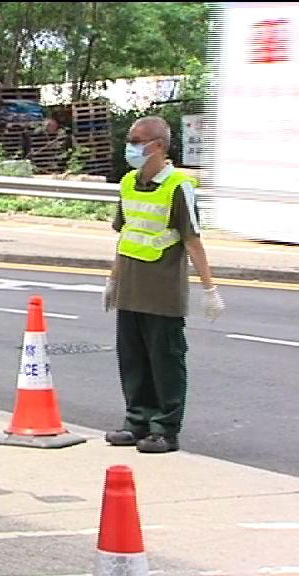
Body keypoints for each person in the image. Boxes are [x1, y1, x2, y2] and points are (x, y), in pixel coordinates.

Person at [102, 116, 225, 454]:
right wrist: (112, 281)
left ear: (158, 145)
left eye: (137, 139)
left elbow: (192, 241)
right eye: (130, 138)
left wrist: (209, 289)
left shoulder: (177, 186)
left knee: (165, 361)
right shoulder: (128, 183)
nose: (130, 145)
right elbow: (125, 234)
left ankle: (165, 429)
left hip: (162, 292)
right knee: (133, 360)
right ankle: (137, 421)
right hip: (130, 289)